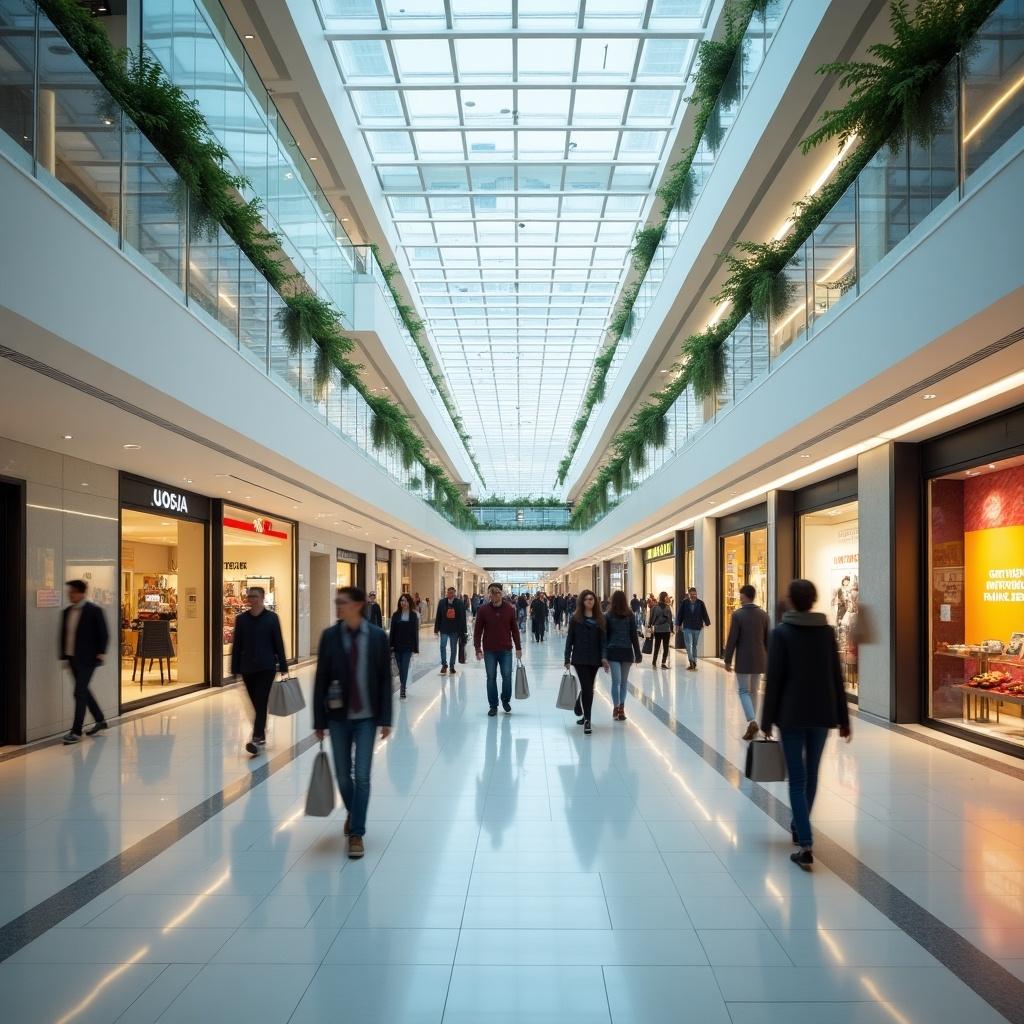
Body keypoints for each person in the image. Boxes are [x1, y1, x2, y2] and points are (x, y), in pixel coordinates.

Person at [761, 579, 851, 870]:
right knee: (811, 775)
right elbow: (836, 677)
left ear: (790, 601)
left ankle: (806, 842)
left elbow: (773, 680)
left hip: (791, 715)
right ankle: (801, 827)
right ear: (813, 600)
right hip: (822, 715)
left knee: (797, 779)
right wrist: (844, 718)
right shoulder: (826, 633)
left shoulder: (781, 634)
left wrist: (766, 719)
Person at [313, 586, 393, 859]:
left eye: (343, 602)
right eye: (337, 602)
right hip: (337, 717)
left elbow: (384, 680)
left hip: (367, 717)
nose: (338, 606)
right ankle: (353, 810)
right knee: (343, 775)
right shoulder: (330, 636)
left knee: (362, 776)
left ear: (358, 605)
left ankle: (357, 831)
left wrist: (386, 719)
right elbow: (321, 679)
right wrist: (318, 720)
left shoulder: (378, 637)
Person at [231, 585, 289, 755]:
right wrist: (235, 667)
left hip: (266, 667)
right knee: (256, 703)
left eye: (255, 596)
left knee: (262, 700)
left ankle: (256, 736)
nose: (251, 599)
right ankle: (261, 731)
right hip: (247, 667)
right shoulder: (241, 620)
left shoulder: (272, 618)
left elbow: (278, 642)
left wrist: (283, 665)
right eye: (249, 596)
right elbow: (237, 645)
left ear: (263, 598)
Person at [60, 579, 109, 744]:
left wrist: (101, 652)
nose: (70, 594)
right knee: (83, 691)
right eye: (69, 592)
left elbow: (104, 633)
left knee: (79, 692)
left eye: (73, 591)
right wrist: (64, 656)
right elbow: (63, 635)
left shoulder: (94, 611)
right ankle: (100, 720)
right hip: (72, 657)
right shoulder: (67, 612)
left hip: (89, 659)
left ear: (81, 593)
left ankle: (76, 731)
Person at [723, 584, 770, 741]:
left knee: (743, 691)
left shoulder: (738, 615)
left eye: (740, 595)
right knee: (754, 692)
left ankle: (752, 721)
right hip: (759, 659)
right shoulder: (764, 615)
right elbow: (767, 640)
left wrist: (728, 659)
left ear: (745, 596)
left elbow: (732, 639)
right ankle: (753, 722)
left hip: (743, 659)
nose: (739, 597)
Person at [473, 582, 522, 716]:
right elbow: (477, 631)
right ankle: (493, 705)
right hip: (489, 650)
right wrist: (477, 648)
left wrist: (518, 647)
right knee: (491, 677)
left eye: (497, 593)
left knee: (507, 676)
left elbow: (515, 630)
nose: (494, 595)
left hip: (506, 649)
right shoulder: (483, 610)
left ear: (501, 594)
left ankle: (505, 700)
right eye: (492, 593)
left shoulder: (510, 609)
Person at [564, 589, 608, 735]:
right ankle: (588, 719)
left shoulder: (600, 619)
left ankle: (581, 706)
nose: (590, 601)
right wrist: (567, 658)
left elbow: (603, 641)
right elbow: (570, 640)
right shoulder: (575, 619)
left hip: (595, 659)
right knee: (587, 687)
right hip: (580, 658)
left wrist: (604, 657)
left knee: (589, 687)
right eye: (587, 599)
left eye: (592, 599)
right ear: (582, 602)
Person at [605, 590, 641, 722]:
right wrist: (637, 653)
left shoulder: (609, 615)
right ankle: (619, 707)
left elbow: (605, 637)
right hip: (624, 651)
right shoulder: (627, 615)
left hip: (614, 651)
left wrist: (603, 654)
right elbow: (634, 636)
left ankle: (618, 707)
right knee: (622, 682)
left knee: (617, 681)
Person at [389, 593, 419, 699]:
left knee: (405, 667)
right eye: (402, 600)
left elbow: (415, 632)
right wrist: (390, 645)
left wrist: (415, 648)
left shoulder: (413, 615)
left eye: (405, 600)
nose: (403, 602)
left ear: (409, 602)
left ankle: (402, 687)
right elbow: (392, 631)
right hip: (397, 646)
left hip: (407, 647)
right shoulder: (396, 615)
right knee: (400, 667)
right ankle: (403, 683)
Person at [675, 587, 711, 670]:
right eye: (692, 594)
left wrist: (707, 622)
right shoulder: (684, 603)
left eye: (695, 594)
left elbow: (704, 613)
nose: (694, 596)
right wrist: (678, 624)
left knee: (694, 645)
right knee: (688, 645)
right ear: (689, 595)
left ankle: (694, 661)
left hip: (697, 627)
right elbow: (680, 614)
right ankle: (691, 661)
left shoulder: (700, 603)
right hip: (687, 626)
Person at [434, 586, 466, 675]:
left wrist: (463, 631)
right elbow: (438, 616)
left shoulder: (459, 603)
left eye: (452, 593)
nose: (450, 594)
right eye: (448, 592)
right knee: (442, 646)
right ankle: (444, 665)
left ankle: (452, 666)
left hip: (454, 630)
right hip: (444, 628)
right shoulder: (442, 602)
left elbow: (463, 618)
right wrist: (436, 629)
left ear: (454, 593)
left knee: (453, 648)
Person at [649, 592, 673, 669]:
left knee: (657, 646)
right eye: (667, 597)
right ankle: (663, 663)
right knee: (665, 647)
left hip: (658, 629)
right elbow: (670, 619)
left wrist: (650, 626)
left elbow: (651, 618)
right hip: (666, 629)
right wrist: (672, 629)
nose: (668, 598)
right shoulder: (667, 607)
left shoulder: (655, 607)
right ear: (664, 597)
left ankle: (654, 662)